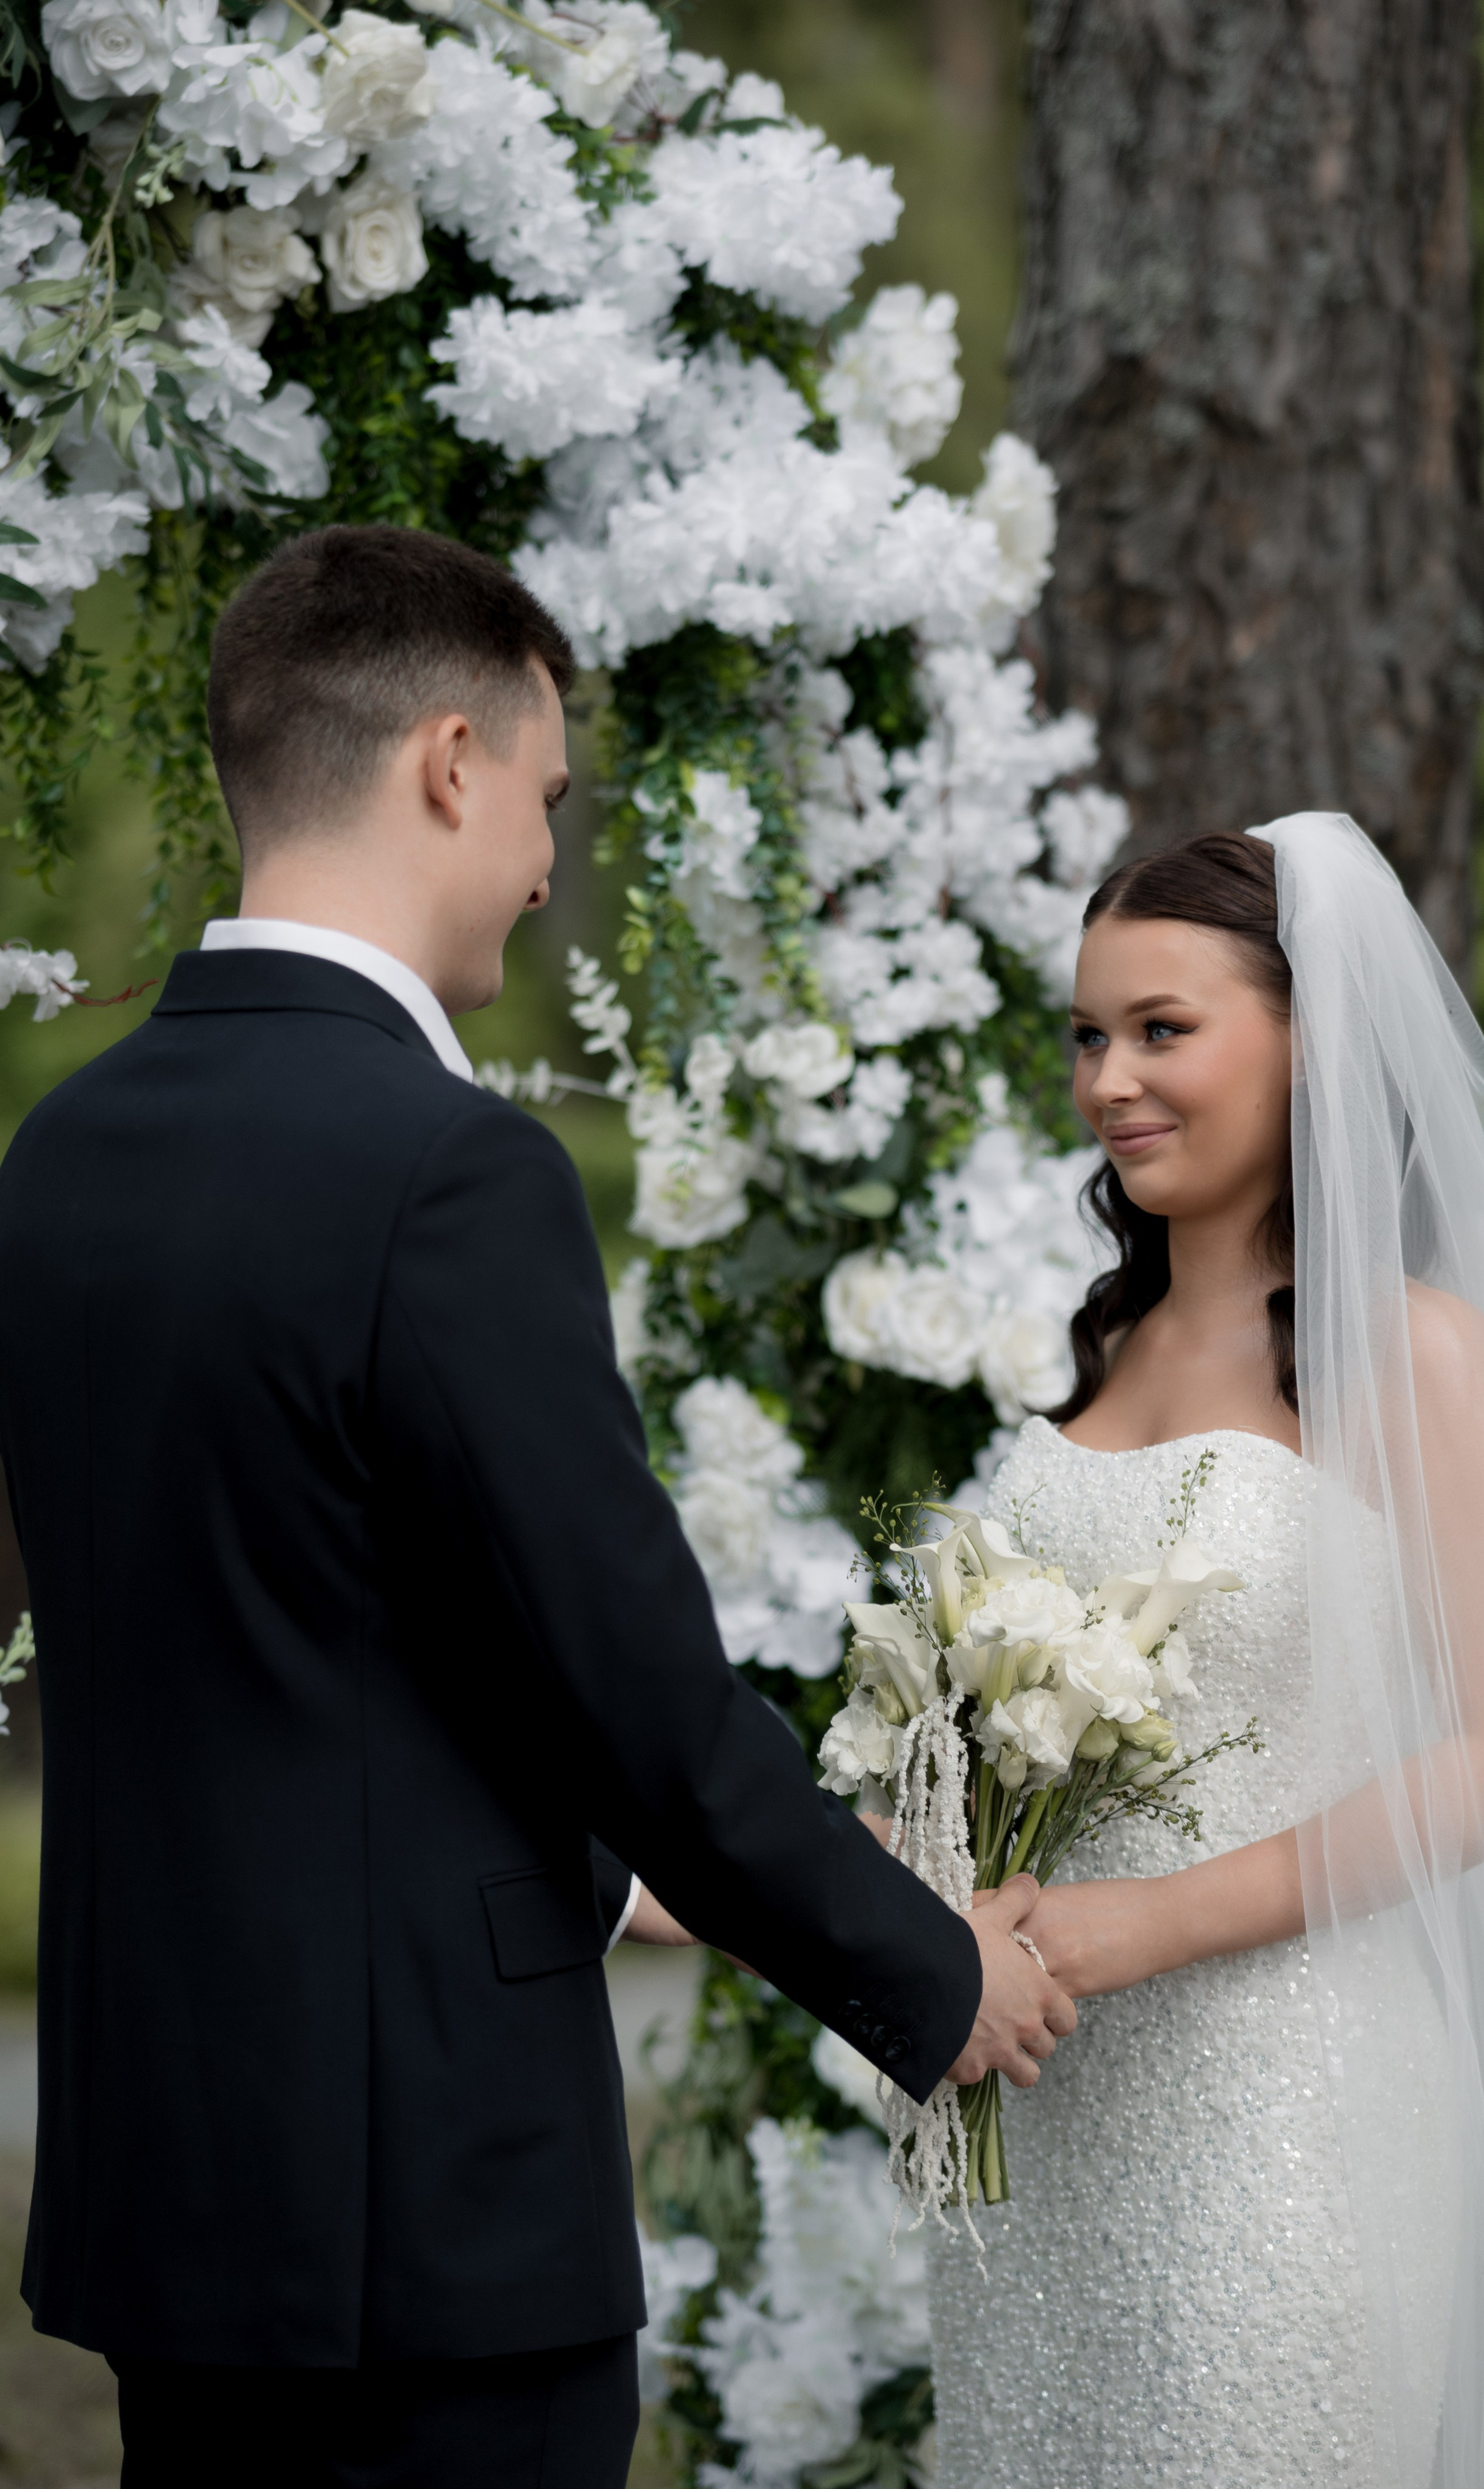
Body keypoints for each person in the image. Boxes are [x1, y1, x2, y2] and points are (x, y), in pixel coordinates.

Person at [0, 524, 1076, 2489]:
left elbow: (290, 1641)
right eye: (549, 797)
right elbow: (639, 1698)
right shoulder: (446, 1174)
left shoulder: (60, 1158)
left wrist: (600, 1879)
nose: (550, 857)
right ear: (448, 762)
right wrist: (931, 1967)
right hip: (425, 2220)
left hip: (174, 2191)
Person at [925, 818, 1484, 2488]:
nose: (1111, 1078)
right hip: (1044, 2109)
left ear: (1309, 1039)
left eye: (1162, 1029)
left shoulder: (1414, 1354)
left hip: (1286, 2106)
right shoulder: (1092, 1344)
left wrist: (1139, 1925)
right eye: (1088, 1035)